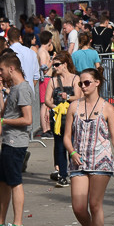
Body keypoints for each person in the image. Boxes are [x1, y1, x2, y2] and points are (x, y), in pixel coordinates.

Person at [63, 65, 114, 226]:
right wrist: (72, 151)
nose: (83, 86)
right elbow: (66, 137)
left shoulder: (108, 108)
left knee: (95, 204)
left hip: (101, 161)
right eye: (81, 83)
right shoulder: (75, 106)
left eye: (87, 82)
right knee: (79, 207)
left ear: (97, 83)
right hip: (79, 161)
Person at [0, 50, 33, 226]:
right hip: (9, 141)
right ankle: (0, 222)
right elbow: (4, 111)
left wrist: (5, 123)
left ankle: (18, 224)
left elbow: (27, 119)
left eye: (1, 70)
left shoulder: (22, 88)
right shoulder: (14, 88)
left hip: (16, 142)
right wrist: (0, 91)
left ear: (11, 68)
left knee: (15, 182)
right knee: (4, 182)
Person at [45, 52, 81, 187]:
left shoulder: (75, 79)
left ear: (65, 64)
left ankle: (75, 172)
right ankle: (63, 175)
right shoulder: (53, 81)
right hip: (58, 118)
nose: (55, 67)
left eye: (57, 65)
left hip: (72, 116)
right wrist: (56, 108)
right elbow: (47, 100)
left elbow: (78, 96)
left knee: (72, 144)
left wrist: (67, 98)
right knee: (59, 146)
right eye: (53, 65)